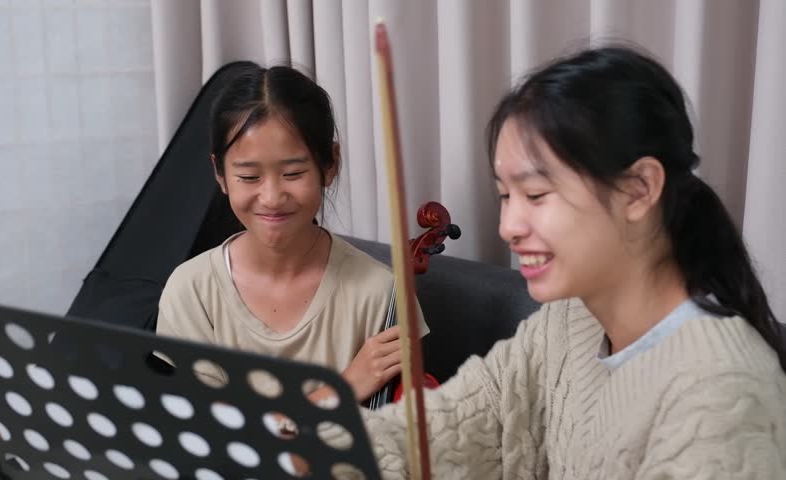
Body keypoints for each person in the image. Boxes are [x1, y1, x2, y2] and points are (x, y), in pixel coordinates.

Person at [348, 46, 786, 478]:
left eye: (535, 195)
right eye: (505, 195)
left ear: (639, 189)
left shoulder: (722, 396)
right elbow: (447, 425)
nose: (508, 227)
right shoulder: (570, 320)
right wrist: (309, 448)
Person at [156, 61, 428, 405]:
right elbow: (219, 444)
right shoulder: (191, 291)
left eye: (293, 173)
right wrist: (343, 389)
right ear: (220, 174)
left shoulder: (380, 294)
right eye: (249, 177)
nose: (271, 198)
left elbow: (399, 445)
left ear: (330, 164)